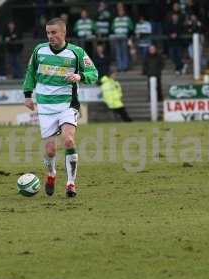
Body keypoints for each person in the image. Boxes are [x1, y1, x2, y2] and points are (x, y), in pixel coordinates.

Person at [23, 18, 98, 197]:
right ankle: (51, 175)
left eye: (54, 33)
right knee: (50, 150)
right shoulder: (39, 50)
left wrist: (80, 77)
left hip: (67, 104)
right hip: (45, 106)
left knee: (69, 141)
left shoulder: (76, 52)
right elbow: (31, 72)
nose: (50, 36)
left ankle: (71, 184)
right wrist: (27, 95)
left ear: (63, 33)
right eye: (48, 33)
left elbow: (93, 73)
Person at [111, 3, 134, 71]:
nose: (120, 12)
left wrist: (129, 36)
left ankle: (125, 67)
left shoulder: (127, 19)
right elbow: (112, 29)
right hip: (117, 37)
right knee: (118, 52)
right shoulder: (115, 19)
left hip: (124, 37)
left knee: (124, 52)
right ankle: (119, 67)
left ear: (124, 12)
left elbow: (131, 28)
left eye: (122, 11)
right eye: (119, 11)